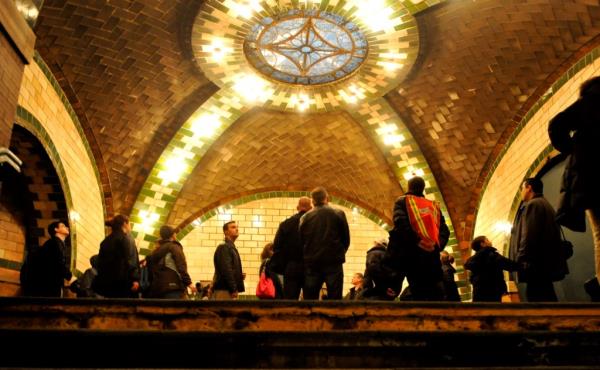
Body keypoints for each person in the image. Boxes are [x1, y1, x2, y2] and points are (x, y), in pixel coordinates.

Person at [548, 76, 600, 300]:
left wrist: (574, 150)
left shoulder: (591, 101)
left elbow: (557, 125)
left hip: (593, 181)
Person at [386, 176, 450, 301]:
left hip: (411, 253)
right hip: (431, 255)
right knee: (434, 291)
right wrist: (436, 246)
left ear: (409, 187)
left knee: (417, 292)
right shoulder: (433, 206)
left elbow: (400, 224)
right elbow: (445, 231)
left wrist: (418, 241)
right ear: (423, 188)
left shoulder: (403, 201)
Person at [509, 178, 568, 302]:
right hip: (545, 263)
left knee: (538, 301)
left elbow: (529, 235)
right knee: (547, 296)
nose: (521, 192)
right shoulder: (545, 204)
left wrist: (520, 259)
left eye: (522, 189)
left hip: (536, 264)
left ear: (529, 188)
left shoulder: (533, 205)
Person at [299, 187, 350, 300]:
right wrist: (339, 252)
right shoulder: (338, 213)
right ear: (326, 198)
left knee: (310, 298)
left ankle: (312, 318)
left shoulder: (305, 217)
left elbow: (302, 241)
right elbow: (346, 239)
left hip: (312, 263)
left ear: (312, 201)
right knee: (335, 298)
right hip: (334, 262)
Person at [272, 196, 312, 299]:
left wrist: (284, 265)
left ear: (297, 207)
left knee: (290, 299)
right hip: (310, 267)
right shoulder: (315, 224)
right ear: (311, 208)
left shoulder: (286, 224)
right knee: (310, 300)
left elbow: (277, 246)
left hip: (291, 266)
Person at [93, 215, 140, 298]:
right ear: (125, 224)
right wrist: (135, 279)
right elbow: (130, 260)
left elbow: (100, 262)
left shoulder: (105, 241)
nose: (130, 227)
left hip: (107, 283)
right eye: (130, 224)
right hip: (124, 282)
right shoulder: (127, 238)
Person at [21, 221, 72, 297]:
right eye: (63, 226)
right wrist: (69, 276)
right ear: (56, 229)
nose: (67, 227)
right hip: (46, 287)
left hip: (47, 286)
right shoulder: (53, 244)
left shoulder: (57, 244)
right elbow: (56, 263)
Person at [145, 225, 194, 299]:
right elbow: (181, 266)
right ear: (173, 234)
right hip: (173, 287)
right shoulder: (174, 247)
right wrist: (189, 283)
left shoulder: (155, 251)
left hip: (157, 289)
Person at [465, 236, 519, 302]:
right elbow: (509, 265)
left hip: (478, 292)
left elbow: (471, 278)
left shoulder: (473, 260)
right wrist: (522, 266)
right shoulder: (491, 255)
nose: (490, 241)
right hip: (493, 291)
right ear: (482, 244)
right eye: (487, 240)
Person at [212, 221, 245, 300]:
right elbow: (226, 270)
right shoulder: (224, 247)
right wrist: (233, 289)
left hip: (228, 289)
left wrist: (238, 275)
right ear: (226, 232)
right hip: (225, 290)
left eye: (237, 227)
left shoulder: (230, 247)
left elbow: (229, 268)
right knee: (224, 312)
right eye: (233, 227)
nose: (237, 229)